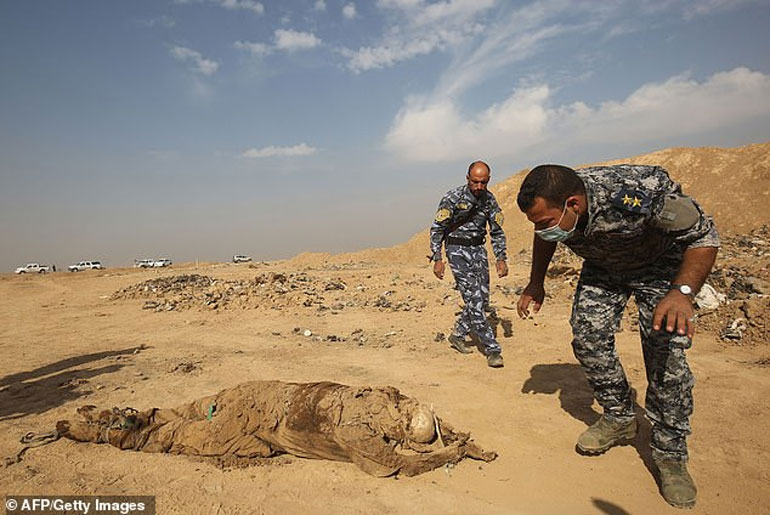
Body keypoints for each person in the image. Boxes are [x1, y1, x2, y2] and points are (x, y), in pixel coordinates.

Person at [515, 164, 719, 509]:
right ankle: (620, 416)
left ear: (573, 204)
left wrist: (682, 292)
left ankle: (670, 453)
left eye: (546, 221)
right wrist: (536, 282)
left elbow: (703, 236)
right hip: (604, 269)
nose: (542, 229)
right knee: (588, 337)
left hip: (659, 268)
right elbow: (546, 231)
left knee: (665, 356)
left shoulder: (637, 194)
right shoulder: (558, 214)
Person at [56, 380, 497, 477]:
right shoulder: (359, 433)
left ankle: (105, 415)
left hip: (256, 391)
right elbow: (402, 465)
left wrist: (456, 437)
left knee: (176, 413)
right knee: (165, 437)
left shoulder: (380, 395)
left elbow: (419, 415)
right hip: (254, 424)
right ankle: (96, 430)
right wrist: (453, 451)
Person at [430, 160, 508, 368]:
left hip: (478, 250)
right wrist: (437, 259)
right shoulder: (452, 198)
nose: (479, 186)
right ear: (467, 179)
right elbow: (437, 229)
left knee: (482, 298)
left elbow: (497, 231)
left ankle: (457, 334)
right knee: (474, 300)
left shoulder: (490, 200)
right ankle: (492, 349)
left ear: (488, 180)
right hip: (457, 251)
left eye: (483, 182)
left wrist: (501, 258)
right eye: (475, 182)